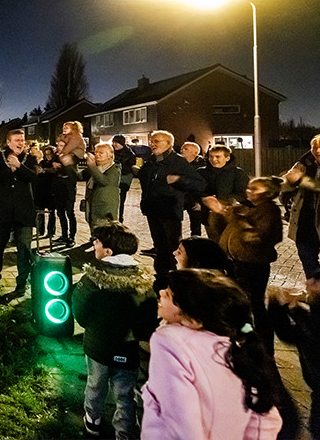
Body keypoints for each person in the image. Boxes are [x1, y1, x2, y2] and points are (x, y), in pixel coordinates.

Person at [142, 269, 285, 439]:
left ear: (194, 320)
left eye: (170, 295)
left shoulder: (169, 342)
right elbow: (265, 419)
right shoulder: (239, 347)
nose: (161, 292)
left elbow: (183, 421)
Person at [72, 222, 155, 439]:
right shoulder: (145, 283)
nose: (93, 246)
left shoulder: (92, 279)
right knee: (125, 393)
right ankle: (125, 431)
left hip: (98, 347)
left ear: (108, 251)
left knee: (95, 384)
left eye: (96, 242)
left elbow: (79, 308)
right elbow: (148, 317)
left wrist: (89, 325)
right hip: (128, 350)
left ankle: (93, 420)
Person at [205, 176, 285, 352]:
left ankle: (264, 345)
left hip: (253, 264)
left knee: (254, 304)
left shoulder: (269, 211)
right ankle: (241, 335)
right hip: (235, 261)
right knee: (237, 301)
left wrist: (238, 217)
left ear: (269, 193)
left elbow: (256, 237)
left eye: (255, 189)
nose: (249, 192)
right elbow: (221, 230)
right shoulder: (247, 207)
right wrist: (218, 212)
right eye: (249, 188)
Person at [137, 130, 206, 276]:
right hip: (152, 210)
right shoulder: (151, 161)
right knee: (159, 247)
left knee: (172, 248)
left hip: (169, 211)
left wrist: (178, 180)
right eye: (151, 141)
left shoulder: (178, 161)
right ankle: (161, 277)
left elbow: (200, 183)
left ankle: (175, 278)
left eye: (157, 141)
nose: (152, 144)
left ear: (169, 144)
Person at [268, 279, 320, 439]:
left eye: (316, 281)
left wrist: (293, 309)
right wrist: (277, 305)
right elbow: (288, 334)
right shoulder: (309, 321)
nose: (308, 283)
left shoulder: (310, 323)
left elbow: (311, 334)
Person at [0, 129, 38, 290]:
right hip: (2, 210)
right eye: (17, 140)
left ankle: (22, 281)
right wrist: (10, 170)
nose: (20, 143)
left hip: (23, 211)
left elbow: (33, 176)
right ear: (9, 142)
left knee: (24, 247)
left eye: (22, 140)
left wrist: (18, 166)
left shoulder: (30, 158)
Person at [284, 134, 320, 283]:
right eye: (315, 147)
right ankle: (315, 293)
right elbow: (284, 188)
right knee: (309, 264)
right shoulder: (303, 164)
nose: (318, 151)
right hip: (305, 223)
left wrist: (303, 180)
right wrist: (290, 181)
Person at [198, 145, 248, 242]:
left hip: (229, 216)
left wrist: (223, 200)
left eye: (217, 156)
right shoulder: (201, 172)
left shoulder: (237, 173)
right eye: (211, 156)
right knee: (215, 243)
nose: (213, 159)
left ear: (227, 158)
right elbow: (193, 190)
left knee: (229, 243)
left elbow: (244, 194)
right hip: (208, 215)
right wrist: (203, 198)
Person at [83, 142, 121, 236]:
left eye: (101, 153)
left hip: (105, 207)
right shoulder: (96, 168)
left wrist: (92, 166)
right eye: (96, 152)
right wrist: (69, 164)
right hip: (92, 204)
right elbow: (78, 175)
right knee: (94, 227)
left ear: (109, 155)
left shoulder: (114, 169)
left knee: (105, 230)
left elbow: (104, 181)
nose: (97, 155)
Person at [53, 139, 78, 245]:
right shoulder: (56, 156)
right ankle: (64, 235)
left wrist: (65, 166)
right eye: (58, 145)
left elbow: (74, 176)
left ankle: (71, 236)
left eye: (62, 145)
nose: (59, 147)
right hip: (58, 188)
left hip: (68, 189)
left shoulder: (71, 157)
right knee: (60, 213)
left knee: (70, 213)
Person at [180, 141, 207, 237]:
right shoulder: (178, 164)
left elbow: (201, 186)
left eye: (186, 149)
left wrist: (198, 200)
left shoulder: (201, 167)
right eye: (182, 148)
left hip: (193, 199)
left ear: (195, 153)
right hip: (181, 198)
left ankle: (195, 245)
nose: (182, 150)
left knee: (195, 224)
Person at [35, 145, 58, 238]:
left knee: (52, 212)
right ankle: (40, 230)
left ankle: (51, 232)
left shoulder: (55, 162)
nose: (48, 156)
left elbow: (55, 171)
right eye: (46, 154)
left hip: (51, 191)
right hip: (42, 190)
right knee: (40, 212)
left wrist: (45, 170)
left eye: (50, 154)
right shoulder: (42, 162)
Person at [112, 135, 136, 223]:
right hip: (111, 180)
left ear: (121, 143)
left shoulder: (130, 154)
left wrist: (117, 165)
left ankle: (119, 220)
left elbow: (128, 169)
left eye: (116, 142)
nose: (114, 144)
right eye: (113, 142)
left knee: (120, 202)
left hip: (123, 181)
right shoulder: (111, 152)